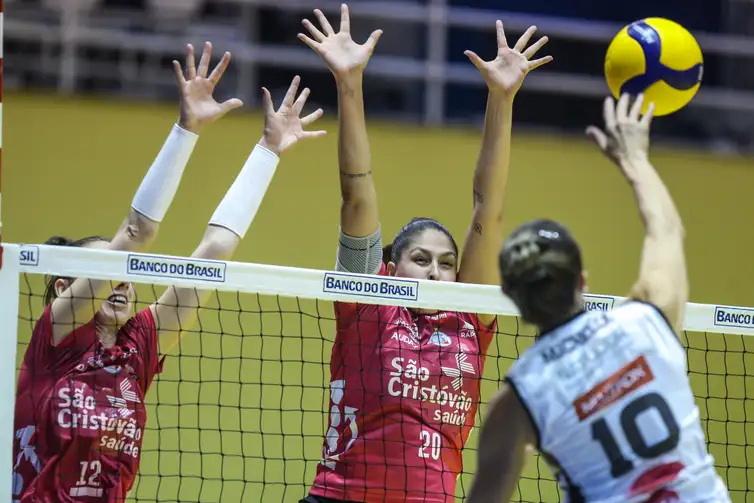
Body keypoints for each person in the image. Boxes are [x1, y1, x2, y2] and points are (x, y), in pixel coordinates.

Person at [12, 42, 326, 503]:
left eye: (126, 274)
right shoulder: (56, 338)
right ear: (64, 286)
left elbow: (213, 254)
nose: (121, 280)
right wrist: (187, 129)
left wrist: (267, 151)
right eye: (108, 268)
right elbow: (136, 233)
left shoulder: (138, 345)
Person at [297, 5, 552, 503]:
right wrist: (349, 85)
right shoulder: (369, 303)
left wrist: (501, 99)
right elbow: (357, 194)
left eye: (446, 261)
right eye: (420, 258)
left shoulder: (470, 320)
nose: (435, 269)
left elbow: (489, 208)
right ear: (390, 269)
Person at [465, 93, 731, 503]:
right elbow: (667, 230)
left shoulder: (518, 398)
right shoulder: (647, 321)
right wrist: (635, 160)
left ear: (511, 298)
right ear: (582, 280)